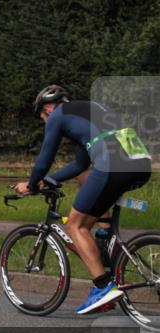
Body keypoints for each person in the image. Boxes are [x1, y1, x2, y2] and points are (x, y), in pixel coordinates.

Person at [14, 85, 153, 314]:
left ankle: (102, 287)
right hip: (140, 164)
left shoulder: (57, 116)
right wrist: (47, 181)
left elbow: (44, 158)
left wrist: (31, 184)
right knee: (85, 177)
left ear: (47, 108)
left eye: (41, 116)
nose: (44, 122)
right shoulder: (90, 111)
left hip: (113, 165)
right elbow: (80, 165)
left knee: (75, 225)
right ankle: (105, 236)